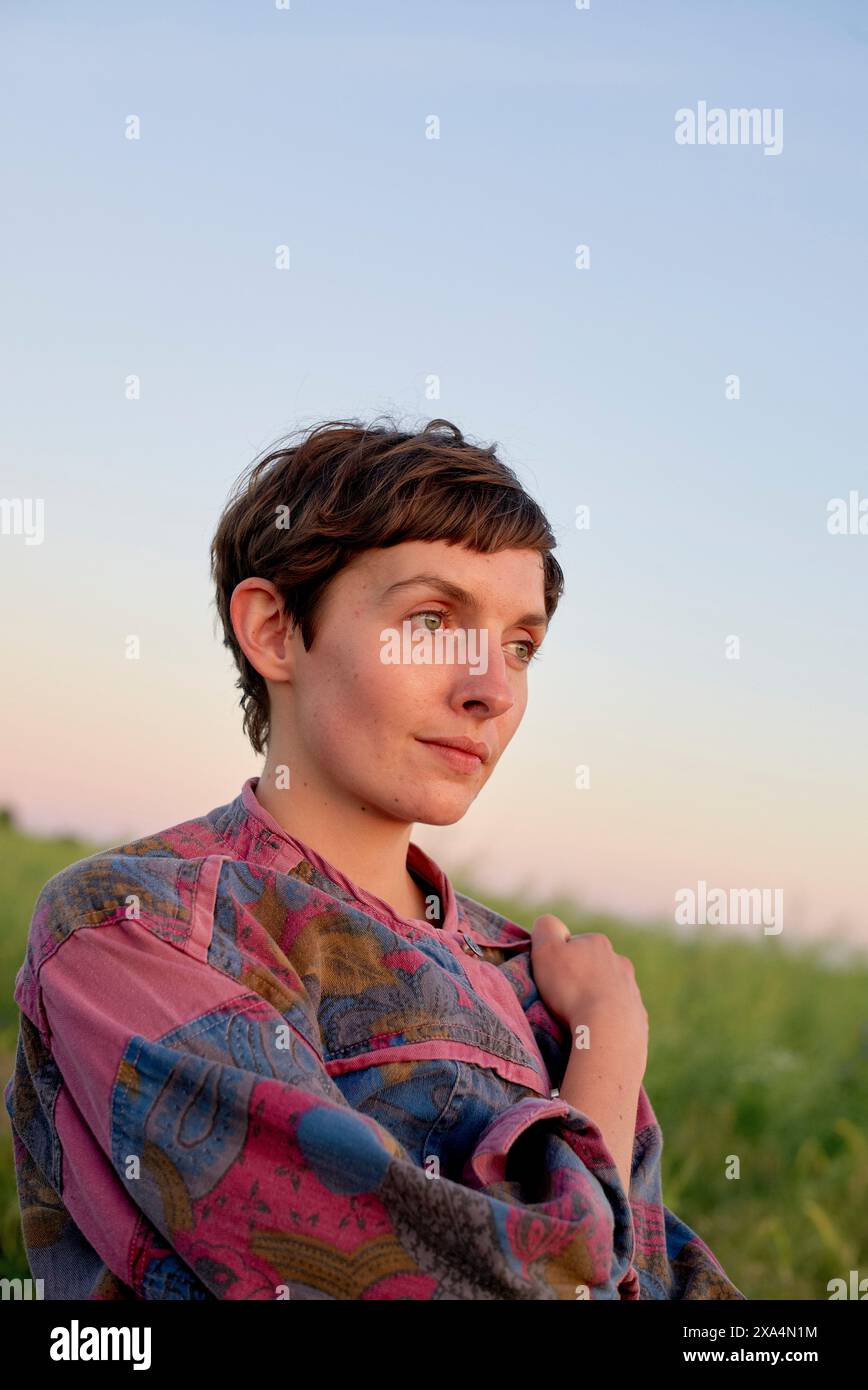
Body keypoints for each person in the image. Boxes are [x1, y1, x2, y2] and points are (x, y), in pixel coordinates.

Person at [5, 417, 745, 1300]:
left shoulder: (530, 979)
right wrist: (610, 1052)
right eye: (432, 621)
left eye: (521, 646)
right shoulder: (139, 928)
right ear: (275, 631)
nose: (493, 691)